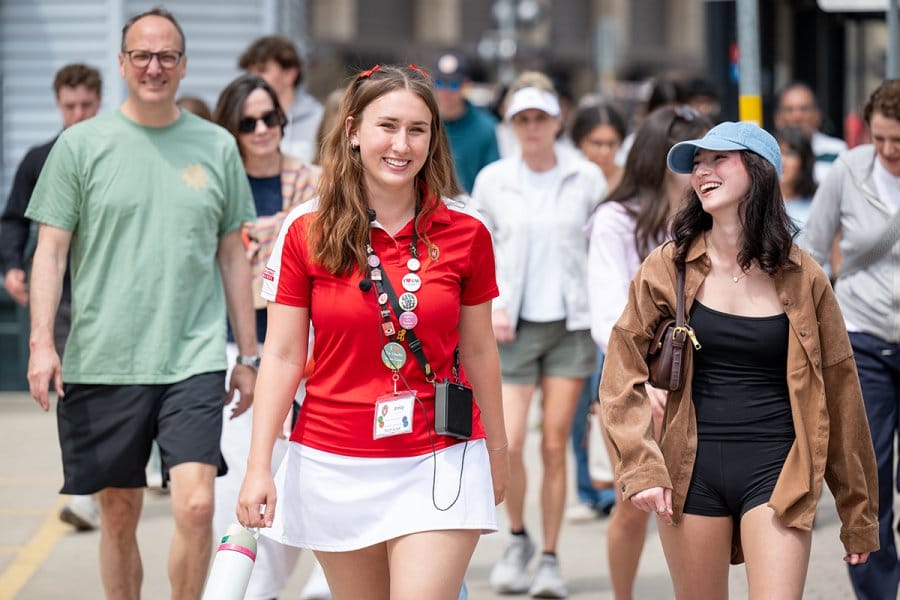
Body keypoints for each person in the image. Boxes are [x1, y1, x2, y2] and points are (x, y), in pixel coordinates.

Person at [236, 63, 509, 600]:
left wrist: (498, 453)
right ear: (354, 131)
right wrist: (258, 466)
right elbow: (285, 356)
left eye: (417, 129)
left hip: (442, 453)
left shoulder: (467, 230)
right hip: (334, 461)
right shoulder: (305, 229)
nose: (401, 145)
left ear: (434, 139)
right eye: (387, 126)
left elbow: (479, 350)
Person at [24, 8, 258, 600]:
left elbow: (233, 255)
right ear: (123, 63)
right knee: (120, 513)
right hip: (103, 357)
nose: (155, 67)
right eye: (142, 56)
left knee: (198, 505)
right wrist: (42, 344)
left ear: (182, 65)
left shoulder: (216, 147)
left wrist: (248, 353)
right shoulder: (80, 146)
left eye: (167, 56)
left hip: (193, 355)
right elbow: (49, 252)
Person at [600, 121, 879, 598]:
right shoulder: (668, 266)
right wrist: (641, 466)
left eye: (717, 159)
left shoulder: (803, 275)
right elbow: (619, 371)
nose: (702, 171)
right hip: (691, 469)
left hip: (779, 469)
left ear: (759, 170)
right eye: (697, 164)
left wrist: (858, 513)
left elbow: (841, 392)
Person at [471, 72, 606, 598]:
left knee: (555, 443)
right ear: (512, 124)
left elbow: (600, 248)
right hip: (513, 324)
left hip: (570, 323)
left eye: (540, 118)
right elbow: (479, 251)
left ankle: (550, 555)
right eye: (522, 119)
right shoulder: (495, 179)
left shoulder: (585, 176)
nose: (532, 128)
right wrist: (492, 306)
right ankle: (519, 538)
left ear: (557, 120)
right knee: (505, 442)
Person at [211, 74, 328, 600]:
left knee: (314, 480)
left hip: (310, 352)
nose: (262, 130)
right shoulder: (216, 186)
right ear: (230, 128)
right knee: (243, 487)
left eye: (271, 118)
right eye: (248, 122)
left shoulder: (318, 184)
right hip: (238, 352)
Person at [589, 105, 712, 600]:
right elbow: (606, 314)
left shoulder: (711, 217)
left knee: (694, 501)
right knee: (635, 500)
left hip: (705, 375)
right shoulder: (615, 219)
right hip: (636, 377)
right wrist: (639, 385)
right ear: (659, 161)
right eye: (693, 161)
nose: (705, 171)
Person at [802, 79, 900, 600]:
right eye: (881, 139)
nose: (889, 151)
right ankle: (879, 594)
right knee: (871, 475)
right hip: (863, 335)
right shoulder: (847, 171)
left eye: (899, 142)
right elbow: (814, 250)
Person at [0, 63, 103, 533]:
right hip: (64, 298)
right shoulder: (40, 158)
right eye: (69, 106)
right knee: (75, 388)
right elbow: (13, 220)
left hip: (121, 294)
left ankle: (148, 466)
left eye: (86, 105)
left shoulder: (119, 149)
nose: (78, 115)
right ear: (57, 105)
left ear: (99, 101)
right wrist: (12, 266)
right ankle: (83, 492)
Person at [563, 100, 629, 524]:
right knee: (579, 406)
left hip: (615, 312)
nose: (602, 151)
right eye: (594, 142)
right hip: (575, 310)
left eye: (610, 143)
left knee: (614, 403)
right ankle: (589, 488)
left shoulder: (627, 183)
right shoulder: (571, 181)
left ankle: (618, 487)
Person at [238, 35, 323, 164]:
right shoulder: (244, 120)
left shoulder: (319, 119)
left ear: (289, 74)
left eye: (262, 70)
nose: (253, 79)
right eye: (250, 73)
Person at [433, 52, 500, 193]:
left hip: (470, 208)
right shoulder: (424, 122)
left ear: (466, 85)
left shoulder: (486, 127)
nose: (445, 91)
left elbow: (494, 178)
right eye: (439, 83)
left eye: (453, 84)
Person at [775, 82, 847, 183]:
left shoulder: (838, 151)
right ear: (778, 118)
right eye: (789, 110)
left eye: (804, 109)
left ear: (817, 115)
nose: (797, 117)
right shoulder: (769, 154)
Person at [775, 126, 817, 230]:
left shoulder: (818, 202)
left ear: (805, 161)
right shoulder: (757, 203)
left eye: (789, 154)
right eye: (777, 152)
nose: (782, 161)